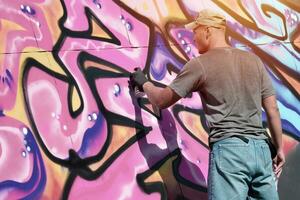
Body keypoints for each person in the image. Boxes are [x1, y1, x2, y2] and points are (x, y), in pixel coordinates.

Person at [130, 9, 285, 200]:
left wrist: (144, 82)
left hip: (230, 152)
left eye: (195, 31)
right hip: (261, 150)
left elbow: (162, 100)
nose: (193, 37)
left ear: (208, 30)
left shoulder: (200, 64)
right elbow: (272, 109)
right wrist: (279, 149)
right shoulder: (254, 61)